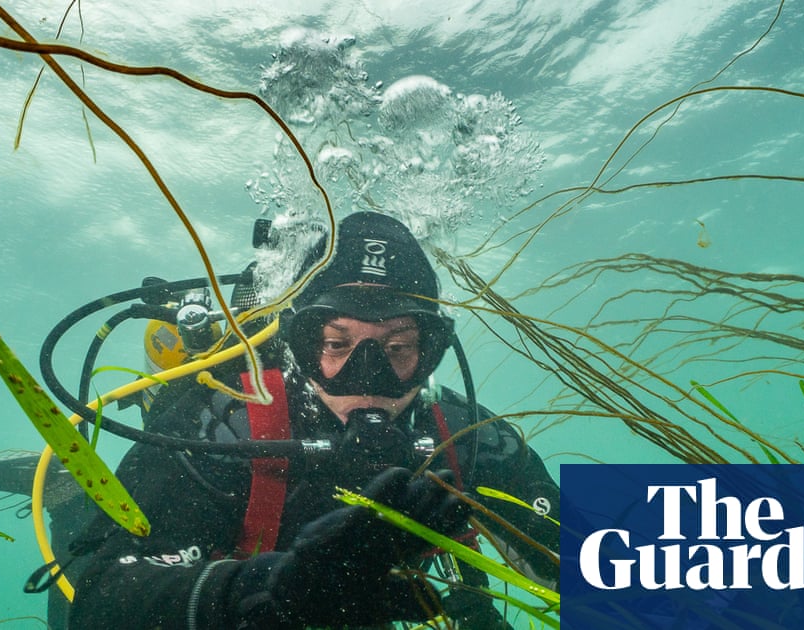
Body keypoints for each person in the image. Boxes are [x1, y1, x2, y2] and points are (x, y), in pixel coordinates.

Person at [65, 211, 559, 628]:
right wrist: (265, 593)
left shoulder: (465, 436)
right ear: (299, 346)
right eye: (336, 345)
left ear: (431, 353)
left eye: (399, 348)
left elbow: (606, 564)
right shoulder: (224, 427)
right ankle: (62, 498)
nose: (368, 379)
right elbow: (98, 596)